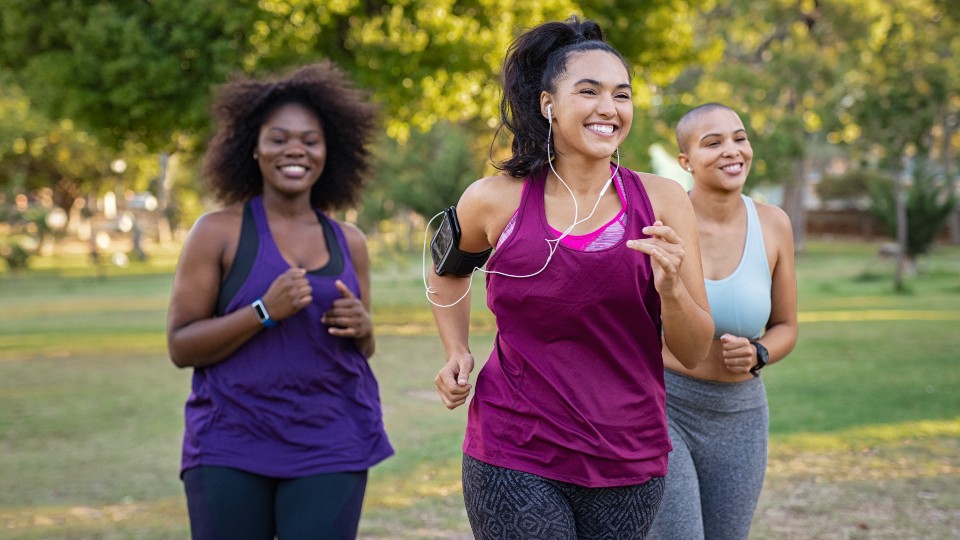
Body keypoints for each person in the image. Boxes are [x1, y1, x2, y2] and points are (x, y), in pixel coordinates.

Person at [428, 16, 714, 539]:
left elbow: (694, 351)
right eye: (589, 91)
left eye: (621, 94)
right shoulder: (495, 199)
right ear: (547, 104)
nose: (609, 107)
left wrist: (671, 288)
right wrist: (456, 349)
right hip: (514, 447)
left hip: (628, 454)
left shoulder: (664, 201)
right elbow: (445, 269)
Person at [166, 62, 393, 540]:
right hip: (231, 443)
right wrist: (263, 311)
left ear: (329, 151)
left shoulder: (348, 241)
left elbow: (364, 349)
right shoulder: (218, 232)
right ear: (253, 147)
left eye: (310, 140)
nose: (295, 149)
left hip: (331, 441)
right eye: (279, 138)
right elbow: (181, 346)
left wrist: (364, 328)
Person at [647, 103, 799, 540]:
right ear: (685, 162)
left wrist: (760, 352)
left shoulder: (774, 224)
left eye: (739, 138)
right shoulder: (659, 225)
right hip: (665, 406)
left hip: (741, 414)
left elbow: (787, 325)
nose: (732, 151)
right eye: (713, 143)